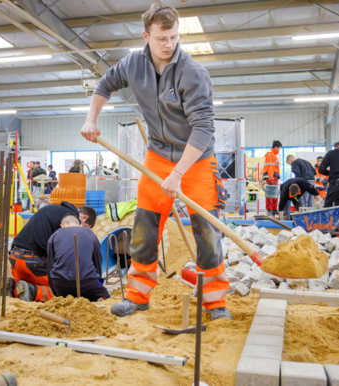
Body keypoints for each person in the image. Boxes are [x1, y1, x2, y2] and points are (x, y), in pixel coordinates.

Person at [80, 4, 231, 320]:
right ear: (146, 35)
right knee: (144, 229)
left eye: (174, 37)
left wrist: (178, 173)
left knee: (207, 234)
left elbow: (203, 128)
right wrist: (91, 119)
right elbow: (105, 84)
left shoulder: (193, 73)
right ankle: (137, 296)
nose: (169, 44)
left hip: (197, 162)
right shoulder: (133, 64)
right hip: (158, 157)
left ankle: (215, 303)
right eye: (162, 38)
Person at [7, 202, 98, 302]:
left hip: (15, 259)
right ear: (84, 217)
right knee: (68, 292)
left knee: (28, 282)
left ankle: (12, 284)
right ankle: (34, 292)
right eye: (84, 228)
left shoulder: (52, 209)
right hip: (35, 264)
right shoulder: (71, 221)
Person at [45, 214, 110, 301]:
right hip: (88, 284)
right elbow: (97, 261)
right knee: (106, 298)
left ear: (61, 226)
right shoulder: (89, 232)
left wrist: (56, 291)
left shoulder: (54, 235)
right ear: (80, 225)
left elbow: (50, 265)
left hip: (61, 285)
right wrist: (97, 281)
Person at [262, 141, 282, 217]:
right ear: (276, 147)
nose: (279, 150)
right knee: (270, 194)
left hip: (274, 177)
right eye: (279, 148)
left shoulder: (273, 155)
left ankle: (273, 210)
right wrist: (270, 178)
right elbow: (270, 167)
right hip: (271, 177)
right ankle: (269, 210)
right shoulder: (271, 155)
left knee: (274, 194)